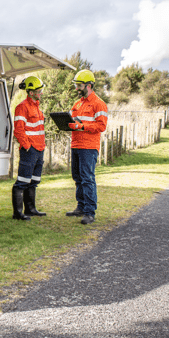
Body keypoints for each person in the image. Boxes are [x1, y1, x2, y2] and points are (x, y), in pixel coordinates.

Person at [66, 69, 108, 225]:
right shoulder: (77, 103)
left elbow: (101, 126)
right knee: (77, 178)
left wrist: (82, 126)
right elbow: (72, 120)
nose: (77, 88)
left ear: (89, 85)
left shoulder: (99, 104)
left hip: (89, 147)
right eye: (76, 85)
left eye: (79, 85)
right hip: (75, 144)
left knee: (87, 179)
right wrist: (66, 123)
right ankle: (81, 207)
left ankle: (90, 213)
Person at [11, 75, 47, 220]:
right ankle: (18, 213)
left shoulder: (38, 108)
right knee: (22, 182)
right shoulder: (22, 108)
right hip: (30, 150)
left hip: (39, 150)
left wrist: (40, 147)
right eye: (39, 91)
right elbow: (18, 130)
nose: (41, 93)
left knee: (33, 181)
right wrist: (27, 146)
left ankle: (30, 209)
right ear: (31, 92)